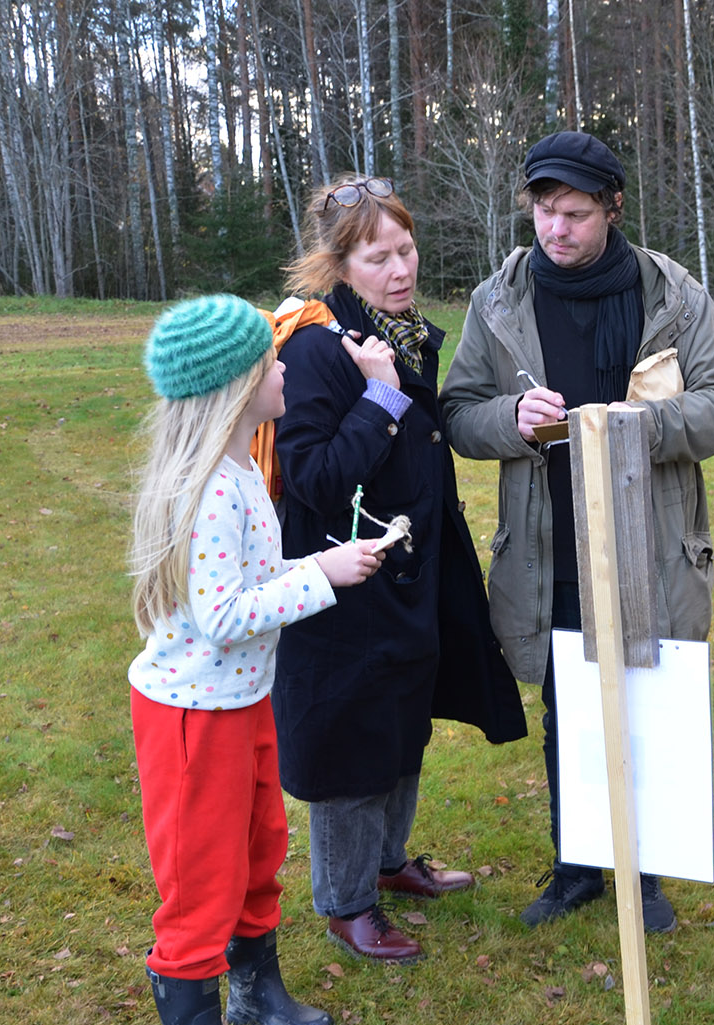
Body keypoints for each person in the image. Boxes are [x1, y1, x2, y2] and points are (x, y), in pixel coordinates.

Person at [441, 131, 714, 934]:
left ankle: (643, 878)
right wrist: (511, 419)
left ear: (613, 208)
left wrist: (642, 426)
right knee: (571, 706)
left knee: (648, 695)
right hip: (549, 545)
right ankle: (577, 867)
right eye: (544, 211)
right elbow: (457, 414)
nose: (555, 229)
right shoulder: (499, 300)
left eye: (574, 212)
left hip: (651, 539)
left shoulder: (671, 294)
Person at [129, 295, 387, 1025]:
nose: (285, 368)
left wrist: (325, 562)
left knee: (257, 844)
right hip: (191, 717)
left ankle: (255, 986)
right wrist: (322, 576)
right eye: (270, 362)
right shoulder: (210, 488)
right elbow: (224, 615)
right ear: (238, 388)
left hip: (242, 701)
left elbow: (247, 582)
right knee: (201, 867)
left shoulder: (243, 467)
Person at [272, 174, 526, 966]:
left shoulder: (402, 332)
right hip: (347, 583)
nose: (399, 268)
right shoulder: (320, 347)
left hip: (411, 569)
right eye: (377, 257)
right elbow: (311, 478)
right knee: (352, 736)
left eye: (406, 249)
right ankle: (348, 901)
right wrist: (380, 401)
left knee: (403, 720)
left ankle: (388, 862)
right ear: (337, 266)